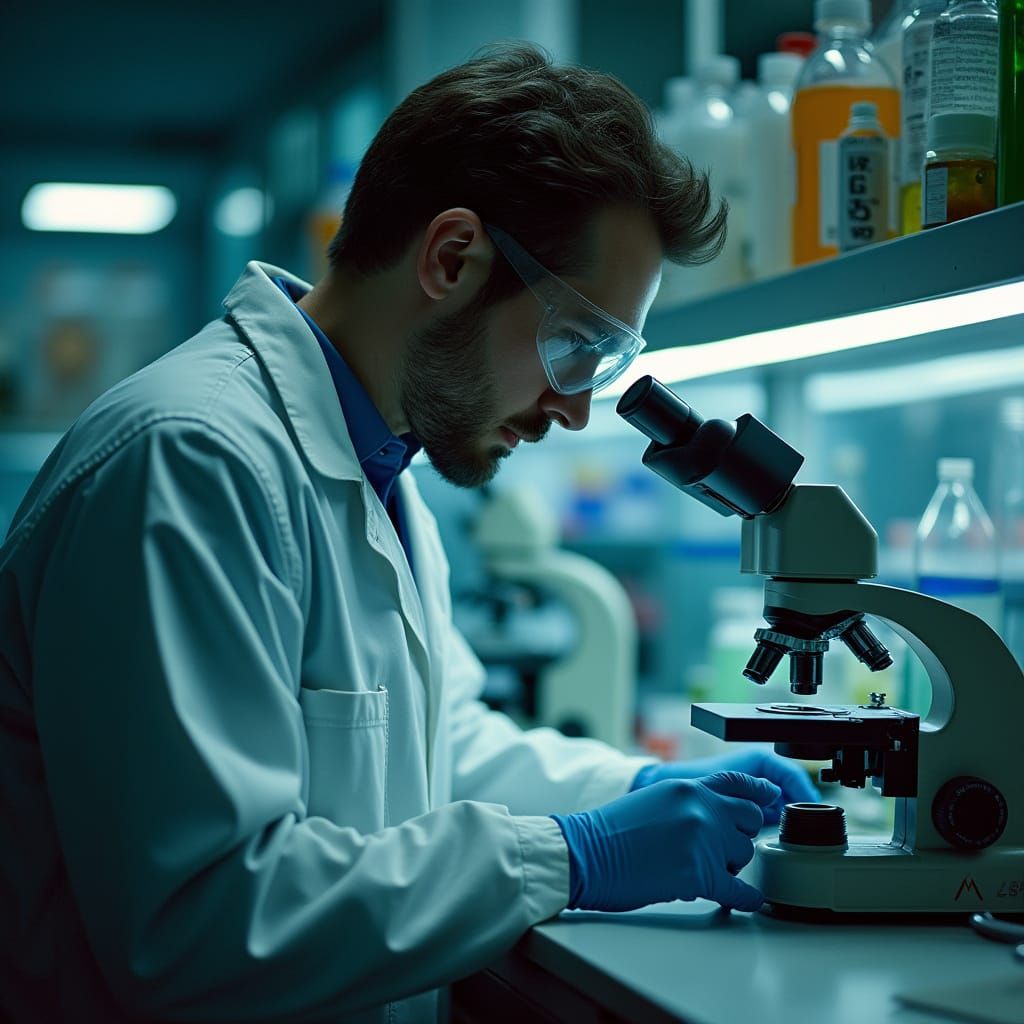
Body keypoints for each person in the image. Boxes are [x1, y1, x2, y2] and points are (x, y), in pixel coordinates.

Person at [0, 43, 818, 1023]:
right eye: (580, 346)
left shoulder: (378, 458)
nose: (577, 410)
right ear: (451, 258)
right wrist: (580, 854)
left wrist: (641, 786)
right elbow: (202, 920)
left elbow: (436, 744)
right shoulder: (191, 460)